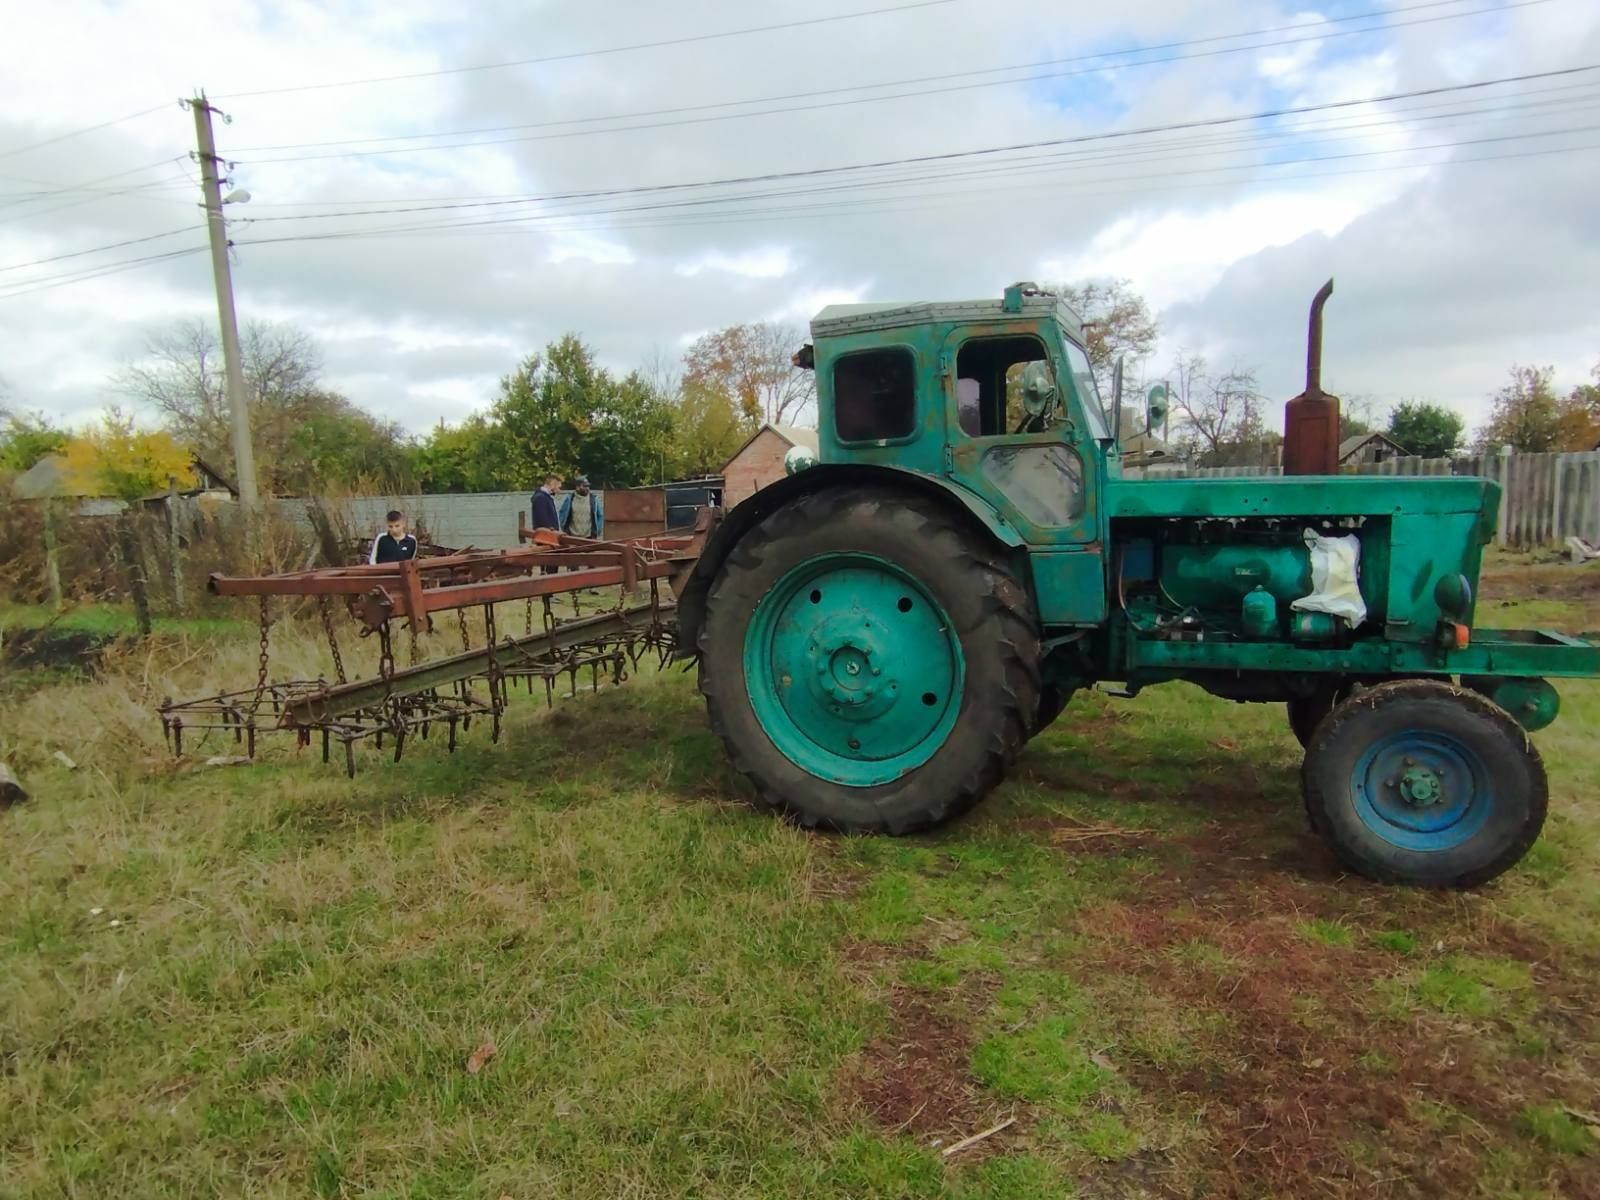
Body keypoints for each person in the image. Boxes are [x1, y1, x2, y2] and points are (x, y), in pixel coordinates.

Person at [558, 475, 604, 539]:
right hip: (572, 536)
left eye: (588, 486)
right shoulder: (569, 499)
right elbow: (562, 514)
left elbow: (600, 515)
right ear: (577, 487)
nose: (587, 488)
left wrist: (596, 530)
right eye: (584, 486)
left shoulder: (593, 499)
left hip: (589, 537)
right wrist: (564, 528)